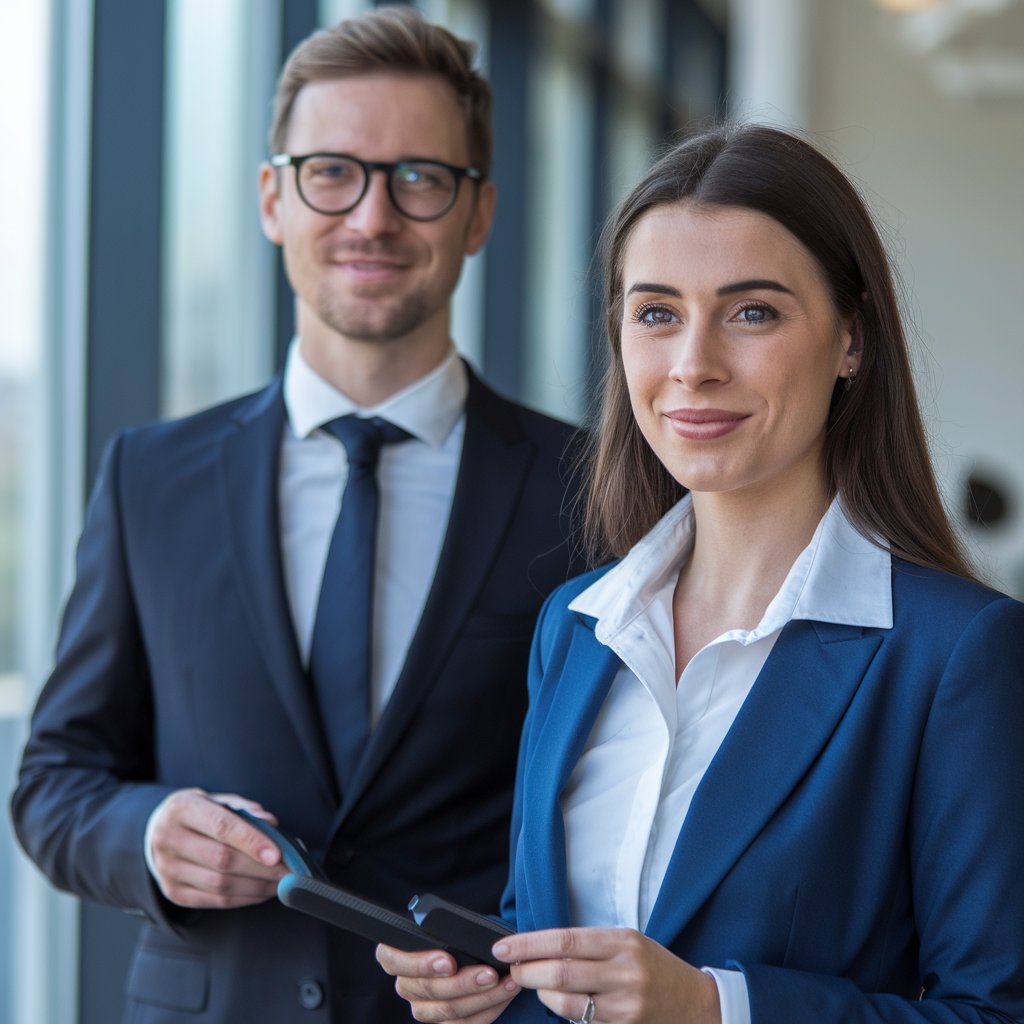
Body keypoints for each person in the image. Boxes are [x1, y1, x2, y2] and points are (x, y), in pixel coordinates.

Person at [378, 124, 1024, 1023]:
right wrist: (499, 985)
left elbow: (996, 1011)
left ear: (852, 339)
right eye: (656, 313)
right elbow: (561, 932)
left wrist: (719, 1007)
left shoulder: (955, 654)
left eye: (751, 311)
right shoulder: (576, 624)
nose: (693, 365)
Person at [11, 8, 583, 1023]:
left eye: (419, 177)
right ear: (274, 198)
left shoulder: (584, 487)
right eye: (332, 172)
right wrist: (148, 833)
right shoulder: (151, 477)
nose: (371, 217)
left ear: (479, 214)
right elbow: (56, 780)